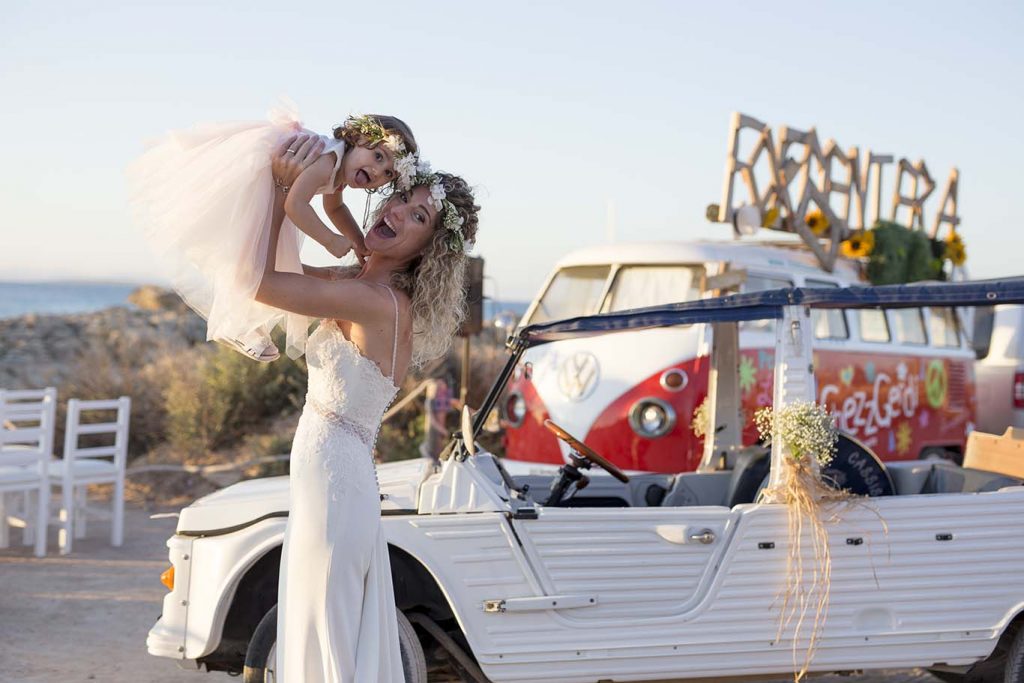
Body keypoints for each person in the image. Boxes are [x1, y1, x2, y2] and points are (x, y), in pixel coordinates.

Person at [256, 132, 480, 682]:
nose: (398, 212)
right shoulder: (359, 283)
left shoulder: (375, 301)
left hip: (334, 482)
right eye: (400, 198)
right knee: (321, 617)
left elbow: (259, 282)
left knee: (323, 620)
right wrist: (307, 193)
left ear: (428, 249)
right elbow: (290, 265)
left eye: (419, 216)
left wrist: (280, 191)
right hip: (333, 476)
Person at [127, 105, 419, 362]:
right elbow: (295, 205)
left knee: (257, 261)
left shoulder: (339, 172)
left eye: (388, 173)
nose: (378, 171)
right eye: (378, 156)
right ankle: (236, 326)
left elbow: (335, 208)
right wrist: (329, 240)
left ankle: (242, 325)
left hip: (271, 190)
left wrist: (357, 241)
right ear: (357, 138)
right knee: (247, 259)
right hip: (255, 179)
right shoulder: (327, 160)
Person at [420, 377, 458, 463]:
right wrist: (444, 431)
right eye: (439, 386)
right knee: (433, 450)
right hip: (434, 430)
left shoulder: (443, 399)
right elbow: (433, 421)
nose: (442, 387)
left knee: (440, 449)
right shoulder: (430, 401)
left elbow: (457, 404)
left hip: (441, 429)